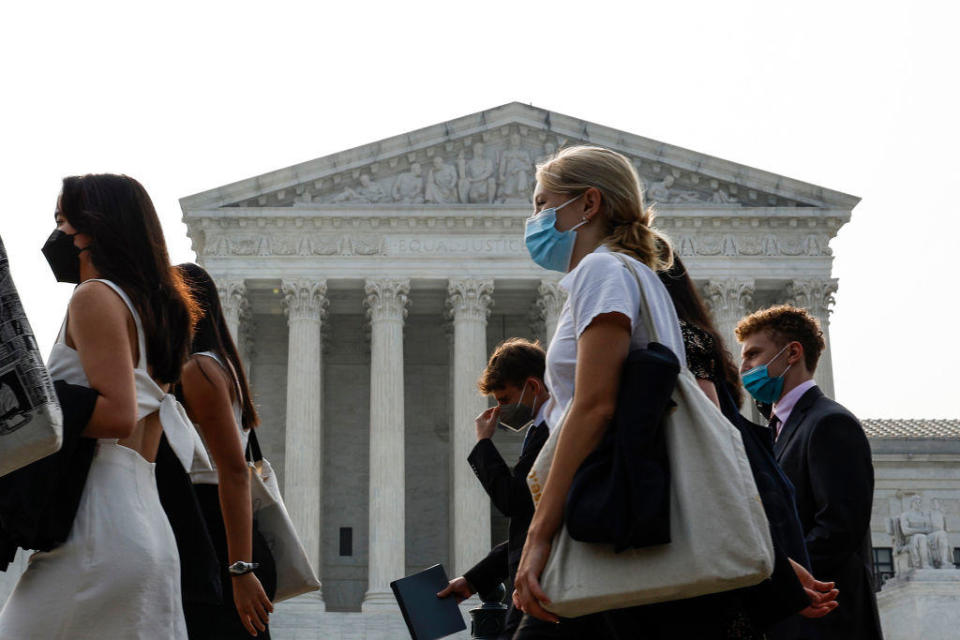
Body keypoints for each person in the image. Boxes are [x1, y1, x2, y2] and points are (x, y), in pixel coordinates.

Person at [513, 144, 751, 638]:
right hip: (635, 506)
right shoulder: (644, 278)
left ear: (588, 204)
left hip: (608, 508)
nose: (534, 219)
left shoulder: (601, 272)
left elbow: (594, 405)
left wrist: (540, 533)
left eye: (541, 204)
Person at [0, 174, 200, 637]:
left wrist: (34, 398)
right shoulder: (158, 310)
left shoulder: (94, 297)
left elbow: (117, 414)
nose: (57, 235)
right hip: (146, 523)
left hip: (96, 525)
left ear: (92, 227)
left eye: (62, 221)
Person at [658, 259, 839, 635]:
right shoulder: (694, 343)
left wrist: (773, 558)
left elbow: (715, 450)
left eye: (753, 355)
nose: (745, 368)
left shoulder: (684, 340)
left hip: (729, 549)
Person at [736, 305, 883, 640]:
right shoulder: (774, 432)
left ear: (792, 353)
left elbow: (838, 529)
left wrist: (780, 578)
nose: (744, 368)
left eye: (753, 355)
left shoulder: (830, 422)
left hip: (827, 619)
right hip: (794, 616)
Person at [176, 263, 276, 638]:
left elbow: (232, 472)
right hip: (231, 535)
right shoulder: (223, 366)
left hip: (214, 533)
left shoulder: (198, 370)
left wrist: (240, 568)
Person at [437, 338, 551, 639]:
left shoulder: (552, 431)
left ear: (533, 386)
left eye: (503, 400)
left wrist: (484, 444)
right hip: (533, 582)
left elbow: (514, 501)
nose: (500, 412)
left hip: (543, 581)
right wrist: (474, 580)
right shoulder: (541, 429)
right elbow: (529, 525)